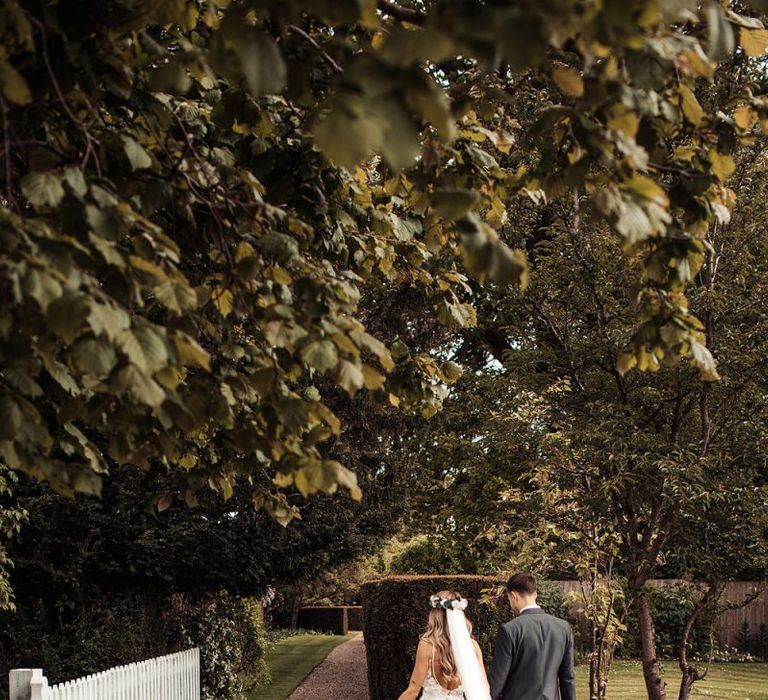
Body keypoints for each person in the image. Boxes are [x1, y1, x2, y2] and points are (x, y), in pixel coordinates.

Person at [488, 573, 576, 700]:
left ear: (513, 596)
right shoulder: (563, 627)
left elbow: (497, 680)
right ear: (535, 594)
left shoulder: (510, 630)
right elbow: (568, 678)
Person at [398, 590, 491, 700]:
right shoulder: (472, 646)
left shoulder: (427, 645)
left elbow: (413, 691)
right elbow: (484, 689)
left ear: (435, 615)